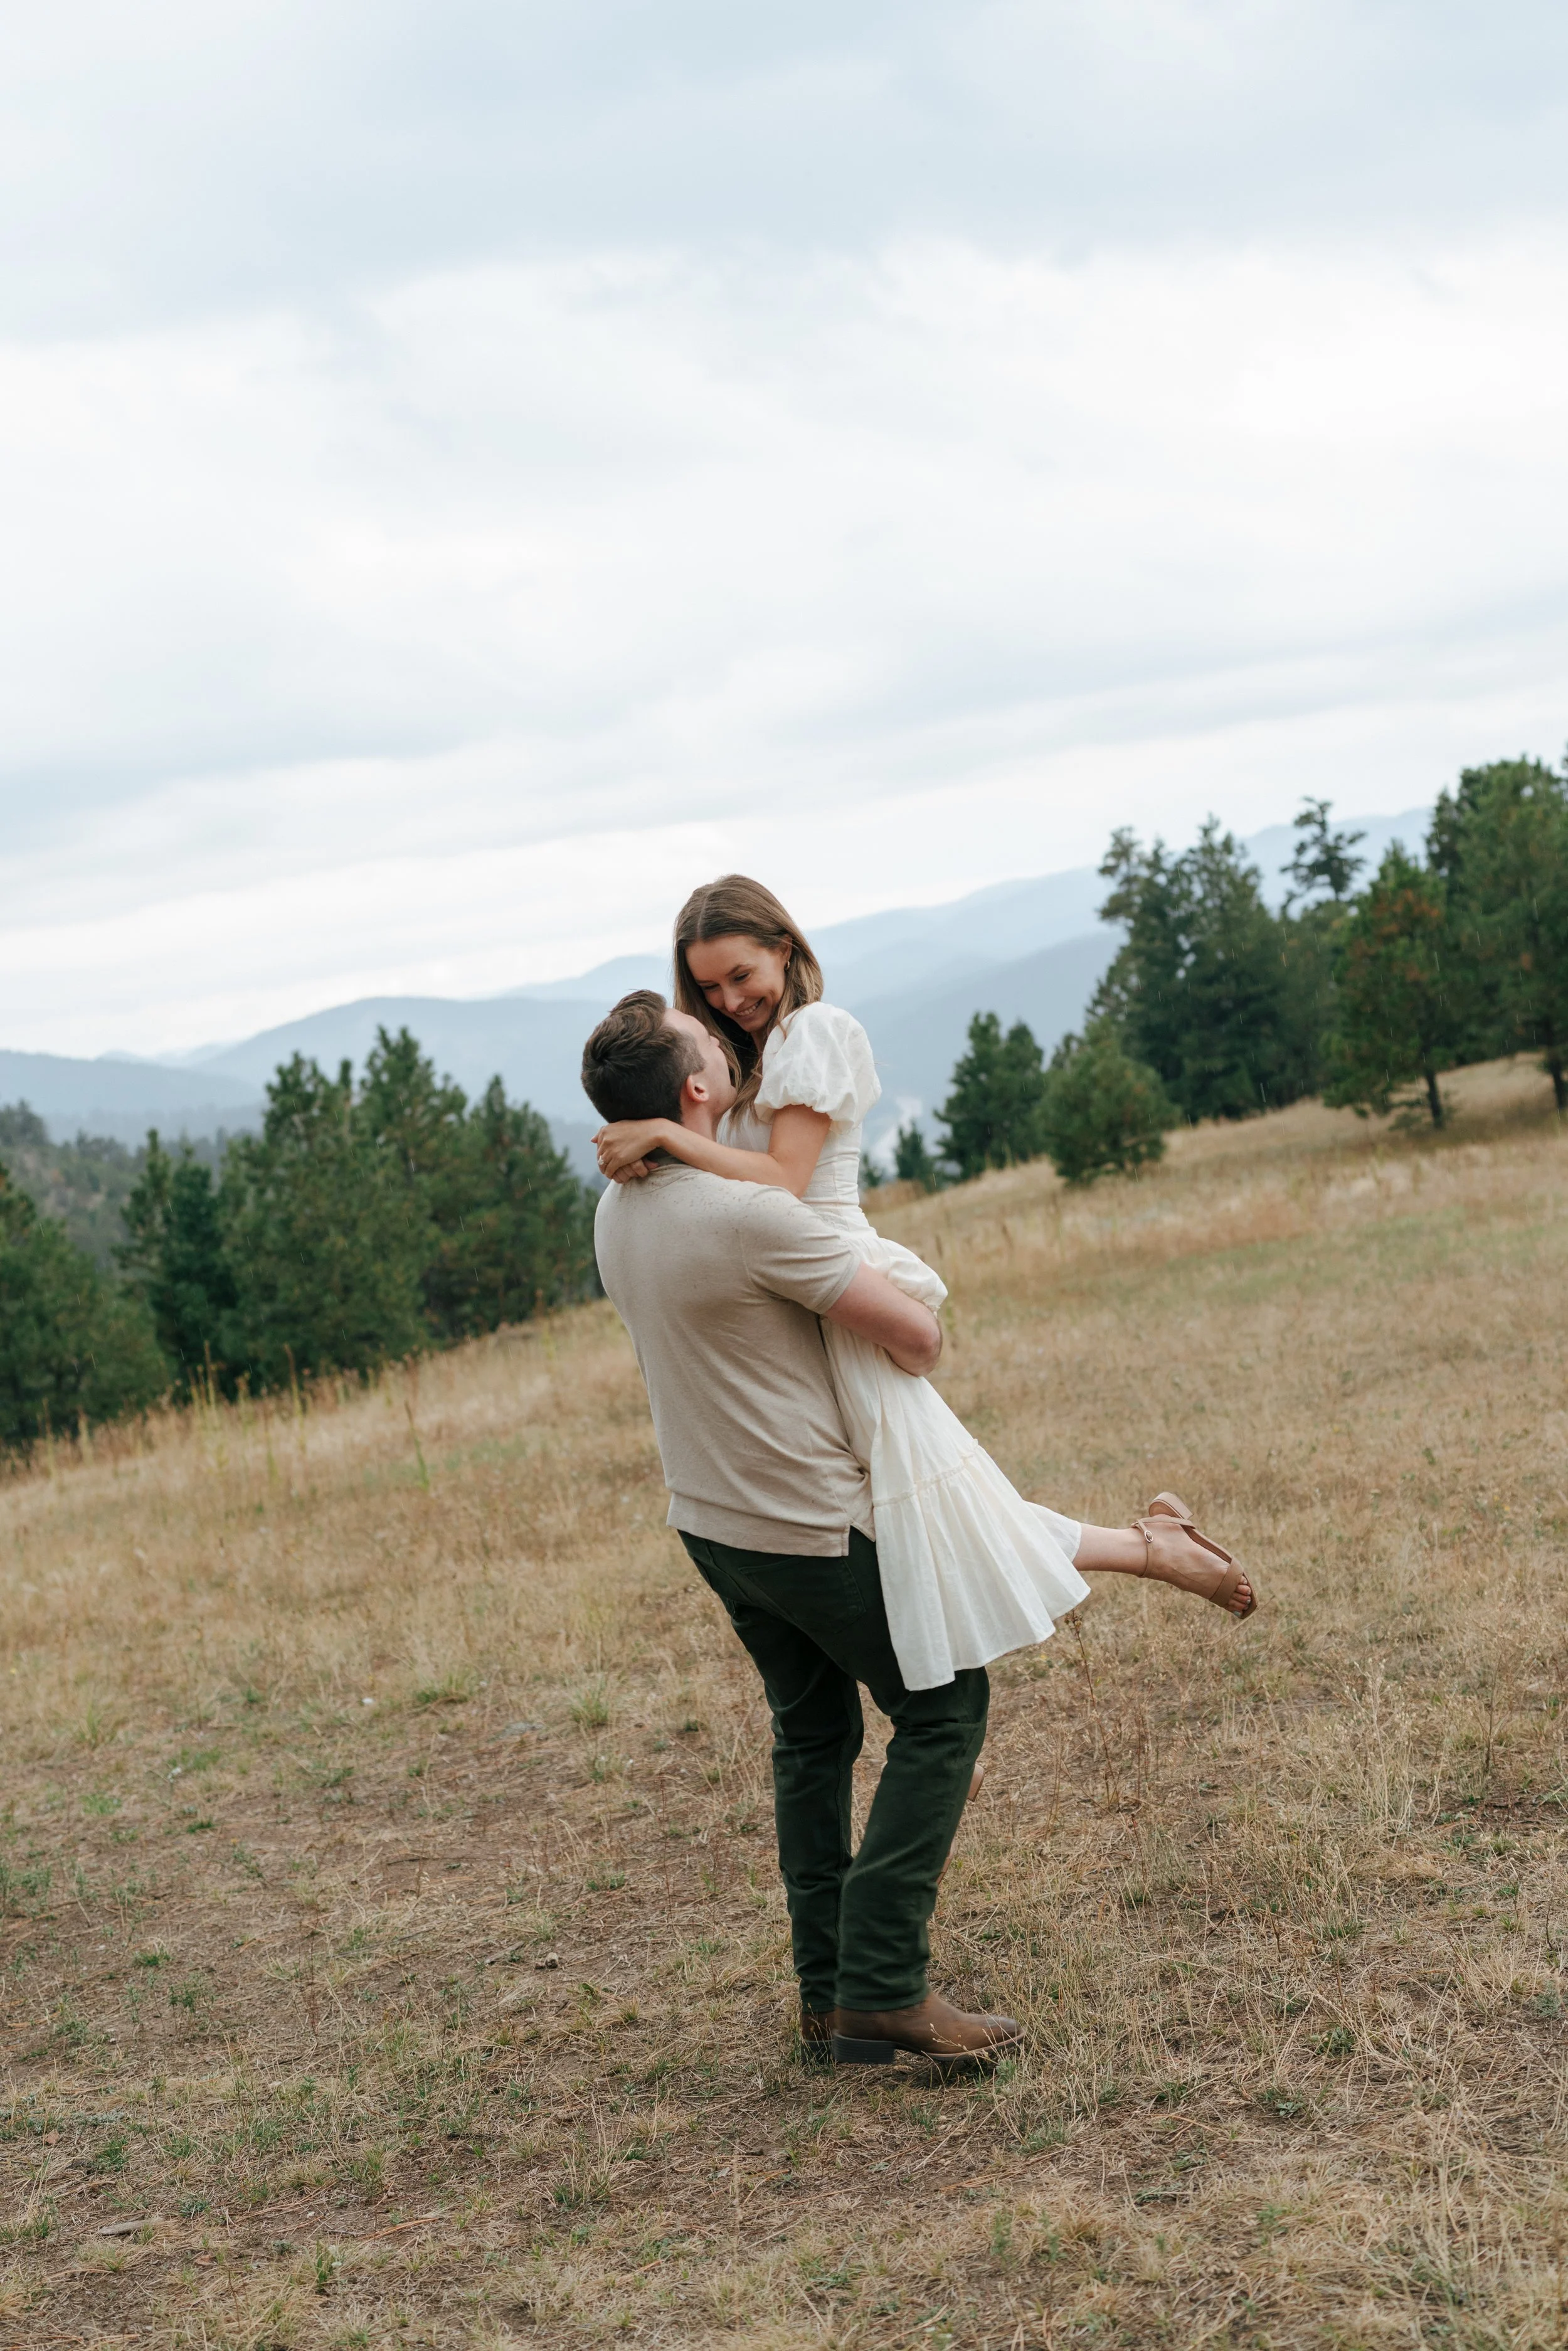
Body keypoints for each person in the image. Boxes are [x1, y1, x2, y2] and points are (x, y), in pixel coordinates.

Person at [593, 874, 1256, 1698]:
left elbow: (783, 1182)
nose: (728, 1000)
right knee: (934, 1502)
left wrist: (667, 1135)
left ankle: (1154, 1552)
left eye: (741, 976)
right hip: (788, 1289)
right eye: (708, 988)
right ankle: (1154, 1546)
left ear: (784, 948)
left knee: (931, 1505)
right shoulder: (753, 1061)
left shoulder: (817, 1033)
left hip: (829, 1274)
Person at [583, 988, 1022, 2068]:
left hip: (712, 1524)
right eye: (709, 1044)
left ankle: (827, 1996)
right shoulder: (749, 1215)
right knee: (943, 1708)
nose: (728, 1043)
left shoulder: (617, 1212)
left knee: (814, 1736)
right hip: (804, 1525)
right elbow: (917, 1339)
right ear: (696, 1091)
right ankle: (881, 1988)